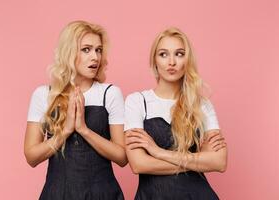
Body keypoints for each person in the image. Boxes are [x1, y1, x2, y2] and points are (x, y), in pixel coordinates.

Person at [24, 20, 127, 200]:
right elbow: (32, 157)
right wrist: (65, 132)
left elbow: (122, 156)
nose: (95, 57)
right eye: (86, 49)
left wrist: (84, 130)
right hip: (58, 194)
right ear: (69, 52)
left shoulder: (110, 93)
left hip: (103, 194)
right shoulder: (44, 95)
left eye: (99, 50)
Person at [125, 27, 228, 200]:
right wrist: (198, 161)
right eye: (163, 54)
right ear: (154, 61)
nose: (171, 62)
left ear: (187, 60)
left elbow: (219, 162)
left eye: (179, 54)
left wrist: (158, 152)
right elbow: (138, 164)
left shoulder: (202, 105)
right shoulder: (137, 101)